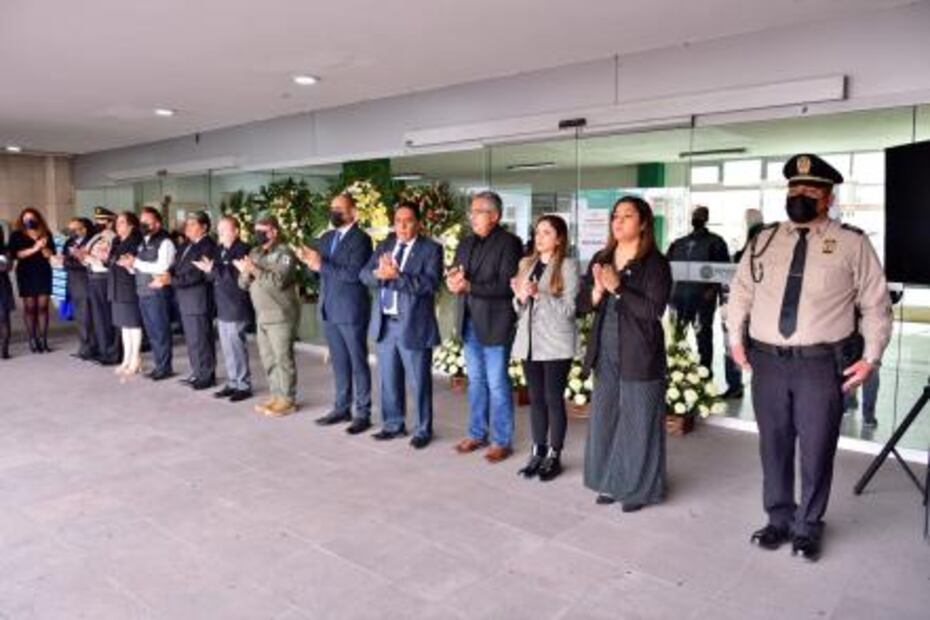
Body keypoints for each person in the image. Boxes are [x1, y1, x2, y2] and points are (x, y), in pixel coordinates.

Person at [727, 153, 893, 561]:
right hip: (767, 362)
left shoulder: (853, 243)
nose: (798, 195)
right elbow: (741, 293)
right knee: (775, 446)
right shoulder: (764, 239)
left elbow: (876, 305)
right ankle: (778, 519)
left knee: (817, 448)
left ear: (827, 197)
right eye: (793, 189)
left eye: (809, 190)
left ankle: (808, 526)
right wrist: (735, 338)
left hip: (821, 365)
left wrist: (871, 357)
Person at [578, 196, 672, 512]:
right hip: (605, 346)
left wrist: (619, 288)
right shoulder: (602, 257)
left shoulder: (655, 263)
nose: (618, 222)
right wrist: (596, 292)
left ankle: (637, 489)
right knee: (605, 415)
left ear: (643, 222)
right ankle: (609, 480)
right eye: (615, 216)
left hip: (640, 350)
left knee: (638, 417)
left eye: (627, 216)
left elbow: (652, 310)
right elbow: (582, 304)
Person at [447, 190, 523, 463]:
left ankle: (502, 440)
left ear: (495, 216)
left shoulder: (510, 243)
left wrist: (469, 286)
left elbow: (506, 286)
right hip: (468, 320)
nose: (472, 215)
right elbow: (456, 272)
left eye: (478, 211)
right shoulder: (465, 243)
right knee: (476, 382)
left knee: (497, 384)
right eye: (472, 211)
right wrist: (453, 281)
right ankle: (477, 432)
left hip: (495, 323)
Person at [360, 201, 443, 449]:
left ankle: (422, 430)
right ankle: (393, 425)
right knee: (388, 378)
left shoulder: (431, 249)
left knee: (419, 381)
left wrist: (396, 277)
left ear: (418, 223)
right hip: (386, 323)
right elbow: (363, 274)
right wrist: (378, 274)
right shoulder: (385, 245)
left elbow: (429, 285)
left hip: (414, 325)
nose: (402, 225)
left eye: (408, 220)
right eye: (398, 221)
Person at [298, 193, 374, 435]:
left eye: (339, 209)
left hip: (351, 310)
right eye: (332, 208)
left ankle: (362, 413)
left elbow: (353, 275)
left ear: (354, 213)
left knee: (357, 363)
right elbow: (319, 273)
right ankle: (341, 407)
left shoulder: (361, 240)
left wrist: (320, 264)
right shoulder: (327, 237)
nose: (334, 212)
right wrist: (308, 263)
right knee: (340, 363)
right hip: (328, 308)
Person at [510, 214, 578, 481]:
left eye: (547, 232)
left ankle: (554, 454)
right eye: (537, 232)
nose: (540, 237)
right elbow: (519, 309)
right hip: (529, 342)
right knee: (535, 399)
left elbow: (569, 310)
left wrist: (540, 294)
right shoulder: (526, 263)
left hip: (556, 343)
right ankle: (537, 451)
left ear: (559, 238)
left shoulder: (569, 266)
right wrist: (520, 297)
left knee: (552, 399)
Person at [236, 214, 300, 416]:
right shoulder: (255, 252)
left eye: (262, 230)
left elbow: (278, 282)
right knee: (268, 359)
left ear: (274, 231)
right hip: (262, 315)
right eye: (256, 230)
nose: (258, 234)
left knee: (283, 359)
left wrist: (253, 269)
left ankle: (287, 399)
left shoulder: (284, 253)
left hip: (281, 314)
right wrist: (246, 272)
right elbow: (242, 283)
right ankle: (276, 394)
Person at [193, 215, 254, 402]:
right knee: (226, 347)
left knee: (237, 346)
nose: (220, 233)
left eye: (225, 229)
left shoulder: (243, 249)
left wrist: (214, 269)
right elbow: (213, 276)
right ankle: (233, 382)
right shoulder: (218, 250)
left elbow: (238, 276)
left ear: (236, 231)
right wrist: (209, 269)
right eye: (219, 229)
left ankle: (243, 385)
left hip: (236, 304)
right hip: (222, 304)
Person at [666, 205, 729, 371]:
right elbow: (667, 268)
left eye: (701, 215)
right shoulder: (679, 243)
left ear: (706, 218)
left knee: (703, 337)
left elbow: (723, 271)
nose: (697, 217)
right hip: (678, 297)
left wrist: (713, 290)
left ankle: (705, 373)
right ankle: (678, 373)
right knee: (677, 336)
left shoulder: (716, 242)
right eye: (695, 214)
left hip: (703, 298)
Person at [120, 206, 177, 381]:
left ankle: (165, 367)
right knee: (151, 332)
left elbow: (162, 267)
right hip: (142, 291)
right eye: (141, 220)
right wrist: (130, 266)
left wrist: (136, 262)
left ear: (157, 223)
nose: (142, 223)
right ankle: (158, 365)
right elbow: (139, 268)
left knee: (160, 330)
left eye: (147, 220)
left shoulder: (165, 242)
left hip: (157, 292)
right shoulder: (142, 241)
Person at [719, 209, 765, 399]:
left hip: (754, 310)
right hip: (747, 308)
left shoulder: (750, 251)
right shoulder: (741, 254)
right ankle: (739, 385)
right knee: (735, 345)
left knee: (735, 345)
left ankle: (737, 385)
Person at [170, 211, 218, 390]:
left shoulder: (208, 246)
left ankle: (206, 376)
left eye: (192, 224)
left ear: (204, 227)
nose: (187, 227)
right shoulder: (186, 245)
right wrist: (168, 274)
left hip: (198, 299)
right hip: (185, 298)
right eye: (187, 224)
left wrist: (171, 281)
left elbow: (196, 276)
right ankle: (197, 372)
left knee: (201, 339)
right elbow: (175, 265)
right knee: (191, 339)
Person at [8, 208, 56, 353]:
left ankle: (43, 339)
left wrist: (43, 247)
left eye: (31, 218)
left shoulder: (46, 233)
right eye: (26, 218)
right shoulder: (16, 235)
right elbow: (17, 255)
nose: (28, 220)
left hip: (43, 271)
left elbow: (50, 255)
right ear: (22, 220)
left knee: (43, 307)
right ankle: (32, 339)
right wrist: (35, 248)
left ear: (37, 218)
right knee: (30, 308)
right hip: (26, 272)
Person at [107, 212, 144, 376]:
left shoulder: (135, 241)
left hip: (128, 286)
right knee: (124, 326)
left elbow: (135, 264)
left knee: (133, 324)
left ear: (131, 225)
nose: (118, 225)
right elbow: (110, 260)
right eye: (117, 222)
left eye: (122, 222)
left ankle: (135, 358)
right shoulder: (116, 240)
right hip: (115, 285)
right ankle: (126, 358)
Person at [82, 208, 120, 366]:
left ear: (110, 222)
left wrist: (90, 258)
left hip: (104, 278)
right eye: (97, 220)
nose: (98, 224)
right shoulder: (96, 237)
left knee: (106, 316)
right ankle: (100, 348)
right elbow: (85, 255)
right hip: (92, 277)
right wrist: (84, 258)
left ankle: (110, 351)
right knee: (97, 317)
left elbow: (108, 260)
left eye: (102, 221)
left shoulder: (113, 238)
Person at [62, 217, 97, 360]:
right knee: (79, 317)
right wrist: (68, 261)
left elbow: (85, 264)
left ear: (84, 229)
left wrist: (69, 261)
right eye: (70, 229)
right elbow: (65, 261)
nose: (72, 232)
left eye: (75, 229)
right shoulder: (69, 242)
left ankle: (90, 347)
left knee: (88, 317)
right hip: (72, 283)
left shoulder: (91, 242)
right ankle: (83, 346)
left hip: (85, 283)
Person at [0, 226, 15, 359]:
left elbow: (7, 267)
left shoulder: (5, 250)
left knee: (4, 318)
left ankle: (4, 350)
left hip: (2, 286)